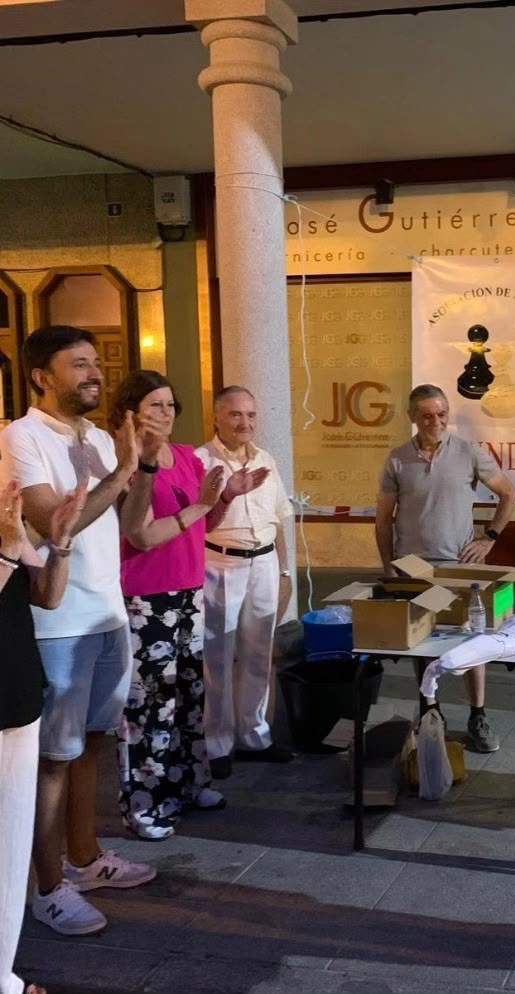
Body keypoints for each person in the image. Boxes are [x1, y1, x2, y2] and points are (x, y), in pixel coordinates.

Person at [0, 326, 155, 938]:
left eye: (95, 363)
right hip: (56, 622)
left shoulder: (97, 438)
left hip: (106, 613)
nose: (95, 374)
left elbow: (128, 523)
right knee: (51, 762)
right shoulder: (22, 436)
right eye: (80, 364)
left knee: (91, 745)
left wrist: (141, 469)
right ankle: (47, 890)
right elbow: (49, 522)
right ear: (43, 377)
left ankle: (85, 861)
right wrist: (120, 473)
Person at [113, 371, 266, 839]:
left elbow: (205, 522)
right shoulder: (128, 463)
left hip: (188, 588)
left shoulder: (184, 456)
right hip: (146, 595)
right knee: (150, 703)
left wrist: (226, 498)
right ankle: (146, 803)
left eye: (169, 405)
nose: (165, 414)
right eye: (154, 406)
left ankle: (189, 781)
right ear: (131, 414)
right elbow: (141, 535)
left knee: (188, 694)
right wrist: (200, 506)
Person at [375, 384, 515, 753]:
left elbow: (508, 494)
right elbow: (383, 519)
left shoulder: (469, 453)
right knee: (421, 641)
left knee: (473, 640)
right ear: (412, 417)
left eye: (442, 414)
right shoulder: (397, 460)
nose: (436, 422)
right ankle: (430, 712)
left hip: (460, 567)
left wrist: (489, 538)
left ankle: (478, 716)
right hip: (413, 569)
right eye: (427, 416)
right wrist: (388, 567)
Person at [0, 477, 82, 994]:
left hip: (18, 698)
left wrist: (62, 541)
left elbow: (48, 596)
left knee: (10, 853)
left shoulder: (4, 525)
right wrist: (7, 553)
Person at [196, 386, 292, 781]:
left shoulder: (266, 459)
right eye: (236, 414)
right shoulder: (201, 461)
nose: (245, 423)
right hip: (221, 562)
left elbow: (279, 518)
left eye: (251, 415)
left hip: (264, 561)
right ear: (217, 416)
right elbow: (197, 521)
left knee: (259, 652)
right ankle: (217, 743)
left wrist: (284, 571)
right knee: (218, 656)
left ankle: (254, 735)